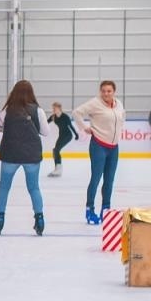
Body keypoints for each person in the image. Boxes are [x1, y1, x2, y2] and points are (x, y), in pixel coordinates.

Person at [0, 80, 48, 236]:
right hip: (31, 155)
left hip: (10, 154)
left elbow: (0, 128)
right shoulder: (38, 111)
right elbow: (46, 132)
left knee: (4, 187)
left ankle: (0, 220)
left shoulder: (6, 111)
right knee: (34, 188)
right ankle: (40, 219)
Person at [73, 80, 125, 225]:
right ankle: (90, 209)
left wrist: (118, 132)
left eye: (109, 91)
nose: (106, 93)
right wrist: (84, 127)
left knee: (109, 180)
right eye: (103, 91)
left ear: (114, 91)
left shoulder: (118, 104)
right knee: (96, 178)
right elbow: (77, 113)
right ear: (100, 92)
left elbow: (122, 117)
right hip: (99, 146)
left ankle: (106, 210)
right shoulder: (95, 103)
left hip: (114, 148)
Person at [48, 102, 78, 178]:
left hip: (68, 135)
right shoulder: (53, 117)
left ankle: (58, 169)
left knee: (57, 149)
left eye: (55, 108)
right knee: (55, 150)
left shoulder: (65, 116)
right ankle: (57, 169)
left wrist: (76, 134)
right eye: (53, 108)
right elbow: (45, 122)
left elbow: (71, 126)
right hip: (61, 135)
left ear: (59, 108)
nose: (53, 109)